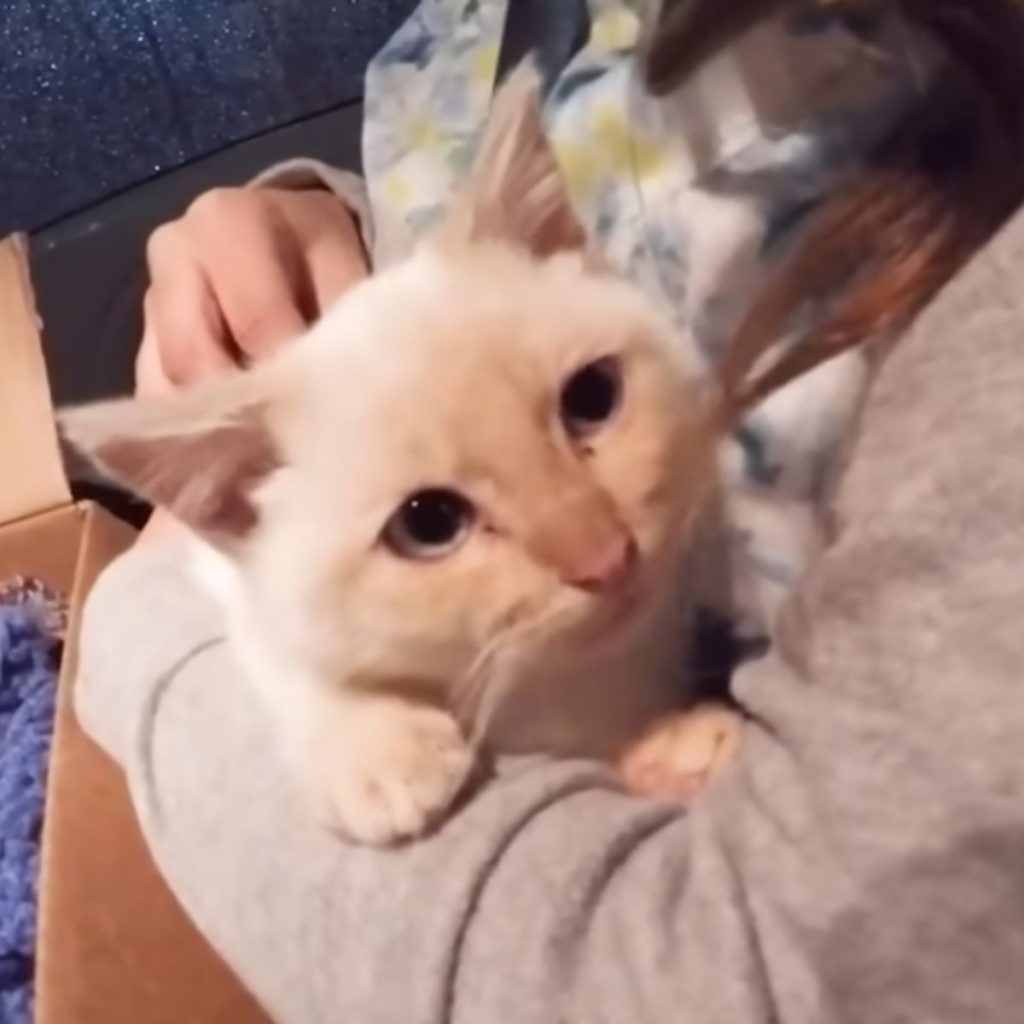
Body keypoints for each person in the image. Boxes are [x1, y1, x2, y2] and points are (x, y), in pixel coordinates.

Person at [75, 1, 1024, 1020]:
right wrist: (327, 222)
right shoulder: (475, 26)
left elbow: (765, 974)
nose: (599, 549)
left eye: (588, 402)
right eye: (435, 520)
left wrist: (134, 625)